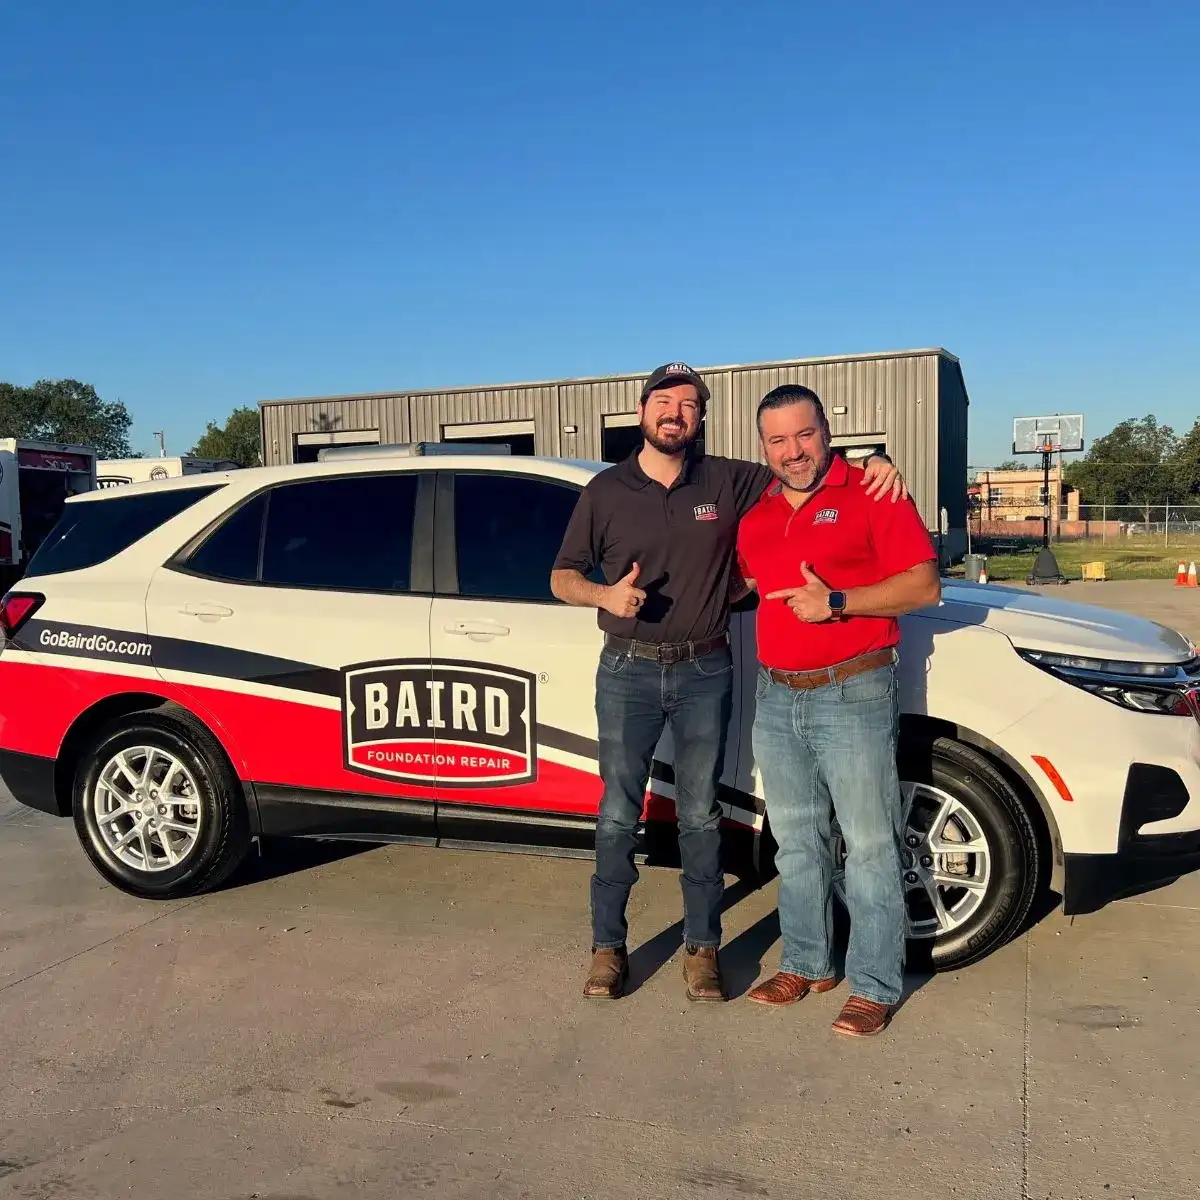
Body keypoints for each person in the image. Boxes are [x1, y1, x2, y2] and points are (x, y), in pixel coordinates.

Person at [549, 362, 909, 1002]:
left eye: (689, 404)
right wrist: (603, 594)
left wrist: (875, 460)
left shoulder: (729, 479)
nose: (675, 413)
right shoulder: (604, 490)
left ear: (701, 418)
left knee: (701, 815)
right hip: (627, 670)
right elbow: (562, 577)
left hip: (705, 668)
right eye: (664, 401)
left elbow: (802, 464)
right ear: (642, 410)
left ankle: (702, 948)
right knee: (617, 814)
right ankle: (607, 948)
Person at [734, 383, 941, 1036]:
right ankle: (807, 963)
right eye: (778, 440)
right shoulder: (758, 516)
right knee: (797, 842)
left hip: (852, 691)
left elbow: (924, 585)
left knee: (871, 845)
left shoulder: (873, 492)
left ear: (827, 433)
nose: (793, 451)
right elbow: (744, 579)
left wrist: (838, 602)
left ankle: (875, 984)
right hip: (776, 696)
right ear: (763, 446)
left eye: (804, 434)